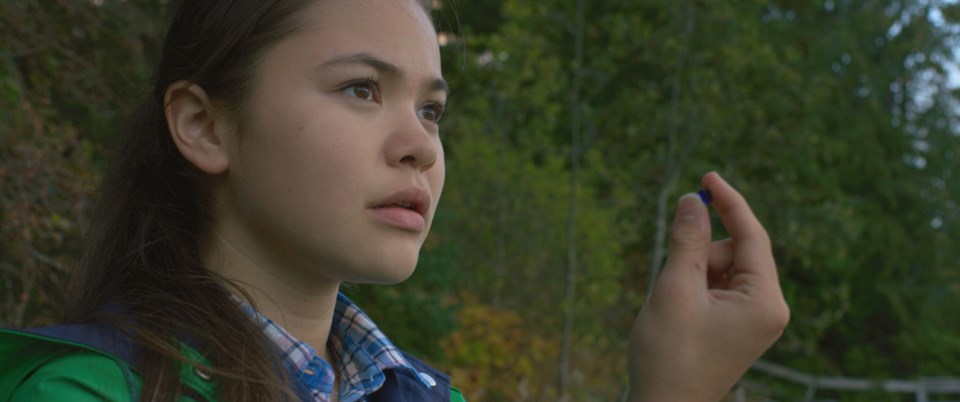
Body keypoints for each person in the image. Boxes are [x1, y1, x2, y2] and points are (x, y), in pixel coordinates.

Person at [0, 0, 789, 401]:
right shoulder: (85, 393)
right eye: (362, 88)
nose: (421, 144)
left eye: (431, 108)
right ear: (206, 126)